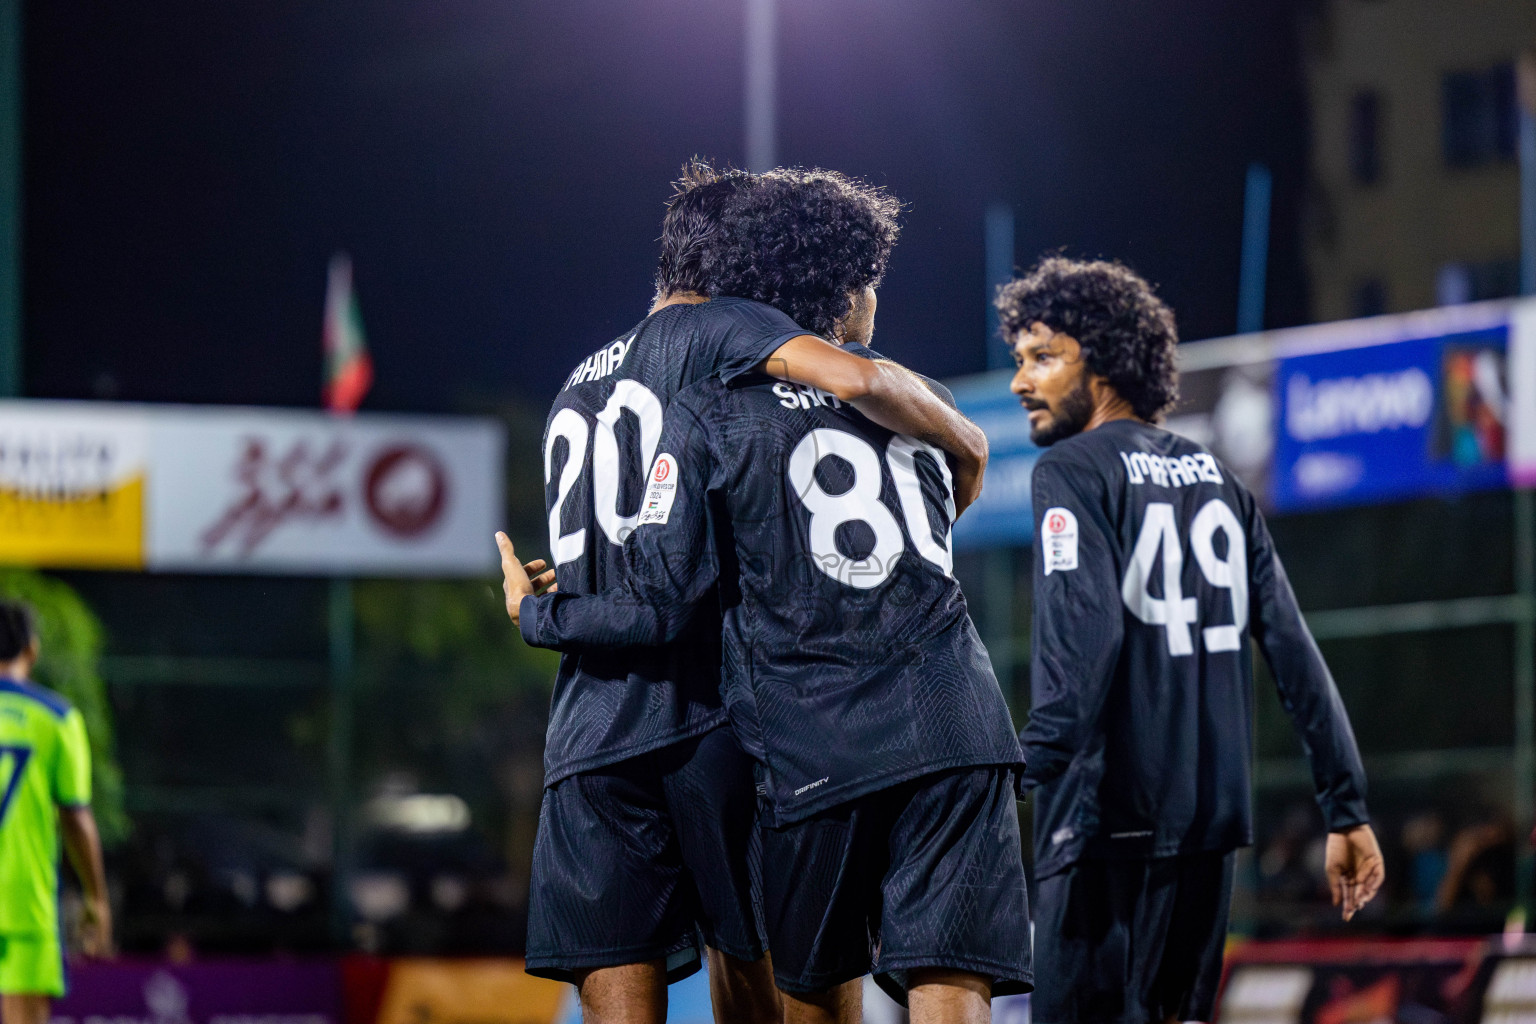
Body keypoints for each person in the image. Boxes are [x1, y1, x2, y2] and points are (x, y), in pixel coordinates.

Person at [502, 167, 1031, 1024]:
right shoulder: (735, 342)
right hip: (718, 711)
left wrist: (540, 609)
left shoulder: (577, 379)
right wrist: (966, 438)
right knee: (757, 974)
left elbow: (641, 545)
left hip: (589, 721)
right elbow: (857, 383)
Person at [997, 257, 1385, 1024]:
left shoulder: (1071, 472)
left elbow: (1086, 648)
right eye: (1019, 361)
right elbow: (1294, 655)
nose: (1021, 382)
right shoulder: (1223, 483)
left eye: (1044, 357)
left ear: (1103, 360)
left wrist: (1002, 777)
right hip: (1210, 829)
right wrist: (1348, 807)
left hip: (1105, 823)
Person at [0, 600, 112, 1024]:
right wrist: (97, 898)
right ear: (32, 649)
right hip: (23, 900)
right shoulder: (57, 718)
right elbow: (76, 818)